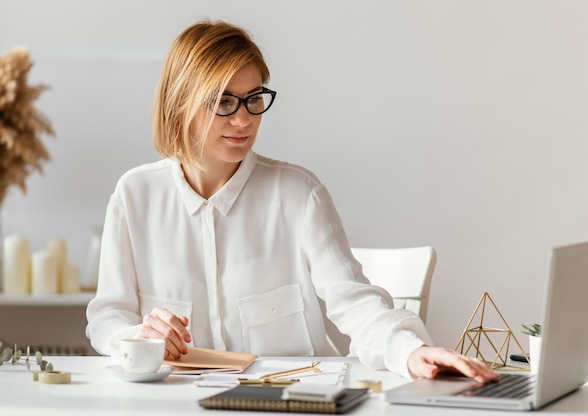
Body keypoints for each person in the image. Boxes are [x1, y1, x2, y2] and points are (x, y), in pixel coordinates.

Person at [85, 19, 497, 383]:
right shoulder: (134, 195)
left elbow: (355, 304)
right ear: (181, 105)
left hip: (291, 401)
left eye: (254, 98)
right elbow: (107, 317)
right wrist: (135, 337)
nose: (244, 119)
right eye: (224, 102)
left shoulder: (299, 194)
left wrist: (408, 352)